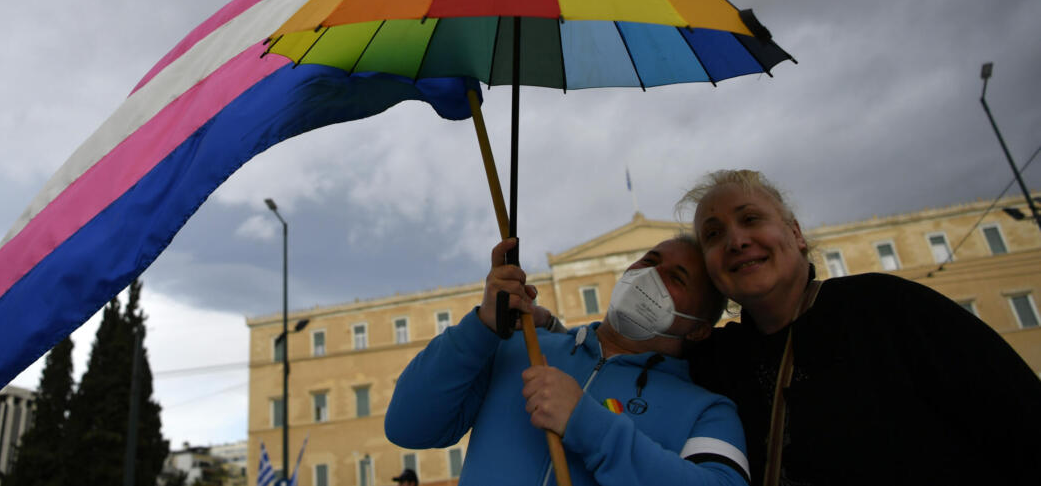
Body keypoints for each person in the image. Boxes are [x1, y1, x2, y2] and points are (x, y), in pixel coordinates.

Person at [682, 169, 1041, 485]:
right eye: (713, 235)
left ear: (797, 234)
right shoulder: (716, 360)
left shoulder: (889, 308)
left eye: (751, 219)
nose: (736, 241)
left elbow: (1021, 418)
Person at [385, 236, 750, 485]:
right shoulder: (520, 348)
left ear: (701, 329)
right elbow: (407, 425)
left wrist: (589, 425)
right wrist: (482, 326)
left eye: (676, 277)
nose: (650, 276)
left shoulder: (709, 411)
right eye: (649, 261)